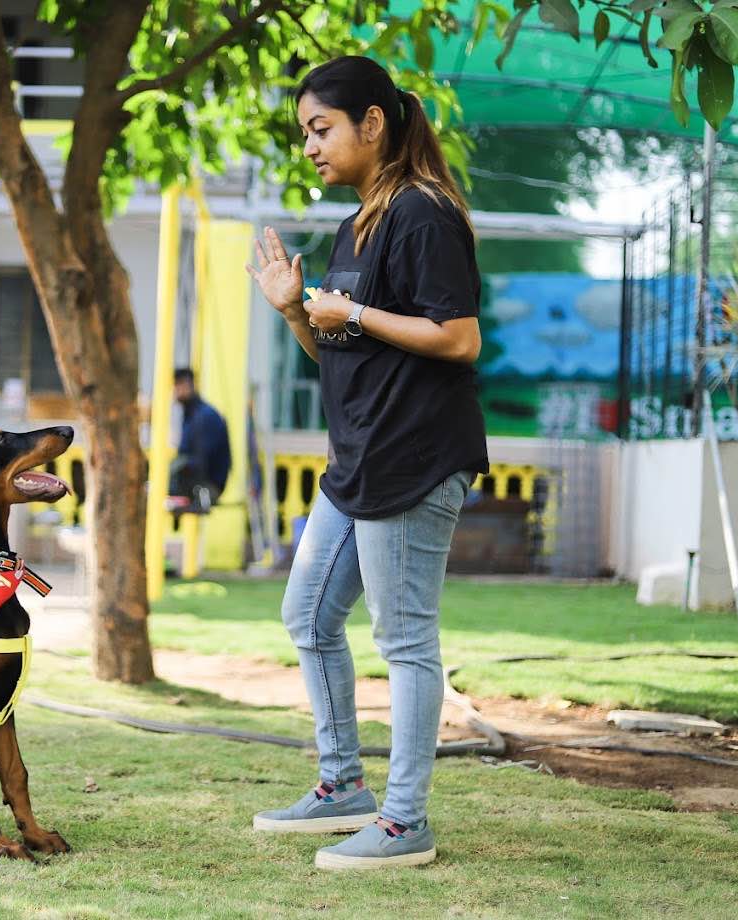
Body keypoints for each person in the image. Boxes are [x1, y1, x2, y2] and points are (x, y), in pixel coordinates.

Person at [245, 56, 488, 870]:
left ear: (372, 123)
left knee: (405, 638)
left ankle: (404, 819)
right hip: (358, 460)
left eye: (321, 129)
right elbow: (341, 347)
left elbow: (458, 338)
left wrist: (353, 309)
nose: (310, 147)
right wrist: (295, 312)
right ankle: (342, 784)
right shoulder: (356, 226)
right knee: (309, 616)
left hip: (414, 456)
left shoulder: (423, 213)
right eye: (305, 134)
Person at [170, 368, 231, 512]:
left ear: (187, 385)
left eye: (177, 386)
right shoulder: (192, 413)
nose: (175, 392)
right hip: (201, 483)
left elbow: (198, 462)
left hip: (207, 487)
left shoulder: (203, 416)